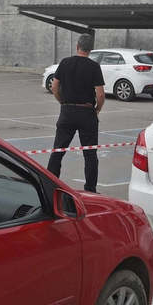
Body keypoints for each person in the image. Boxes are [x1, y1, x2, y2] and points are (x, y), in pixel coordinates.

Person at [48, 34, 106, 192]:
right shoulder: (94, 66)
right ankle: (90, 189)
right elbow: (100, 94)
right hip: (87, 112)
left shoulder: (65, 62)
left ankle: (50, 186)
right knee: (90, 154)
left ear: (77, 47)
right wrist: (97, 109)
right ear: (91, 49)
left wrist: (63, 102)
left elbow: (54, 87)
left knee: (58, 151)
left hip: (67, 111)